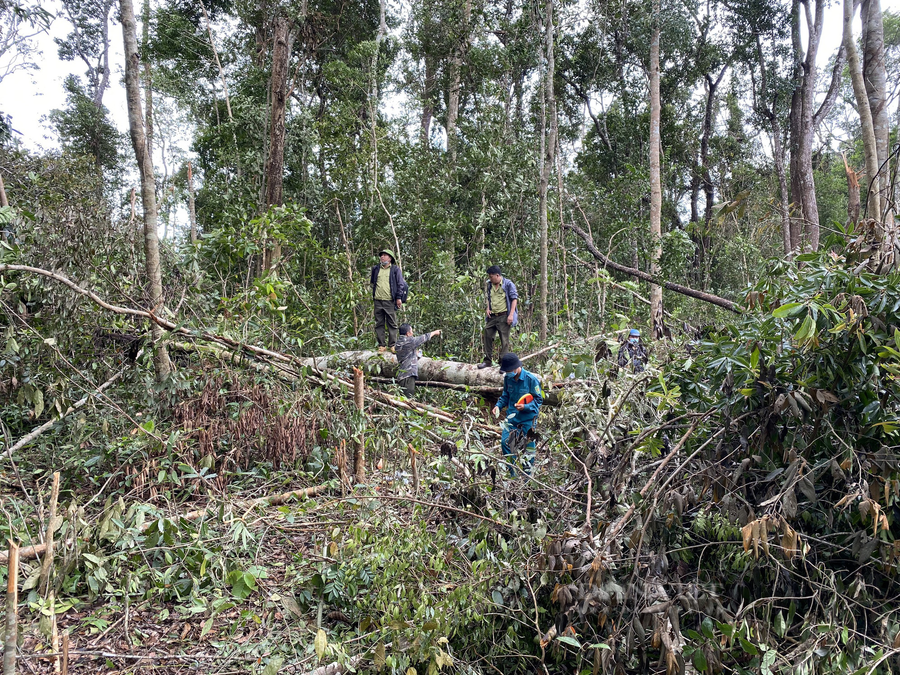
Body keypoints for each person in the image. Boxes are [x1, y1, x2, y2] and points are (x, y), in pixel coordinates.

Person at [492, 353, 543, 476]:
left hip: (527, 420)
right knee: (506, 443)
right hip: (512, 419)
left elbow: (538, 400)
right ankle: (512, 475)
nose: (508, 373)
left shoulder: (531, 380)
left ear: (516, 368)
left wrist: (525, 407)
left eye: (509, 371)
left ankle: (527, 478)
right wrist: (498, 406)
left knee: (528, 449)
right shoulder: (508, 378)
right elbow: (505, 395)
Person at [477, 265, 518, 369]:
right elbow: (489, 298)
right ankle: (487, 361)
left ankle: (503, 364)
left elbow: (514, 299)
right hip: (493, 316)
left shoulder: (508, 284)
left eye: (491, 277)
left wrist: (511, 315)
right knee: (487, 332)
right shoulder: (490, 285)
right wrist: (488, 308)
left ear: (497, 275)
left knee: (504, 340)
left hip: (504, 316)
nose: (490, 279)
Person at [370, 249, 408, 351]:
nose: (382, 257)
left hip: (389, 301)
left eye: (385, 255)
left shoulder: (395, 270)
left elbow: (400, 284)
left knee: (392, 323)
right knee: (379, 323)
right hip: (378, 300)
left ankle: (392, 345)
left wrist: (398, 298)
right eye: (381, 255)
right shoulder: (376, 269)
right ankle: (381, 345)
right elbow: (373, 283)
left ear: (390, 258)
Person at [395, 323, 441, 397]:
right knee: (408, 400)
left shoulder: (398, 343)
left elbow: (407, 355)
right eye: (411, 331)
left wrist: (416, 354)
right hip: (408, 376)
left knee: (404, 399)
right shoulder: (409, 341)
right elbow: (423, 338)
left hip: (402, 376)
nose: (412, 333)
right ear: (408, 333)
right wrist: (435, 332)